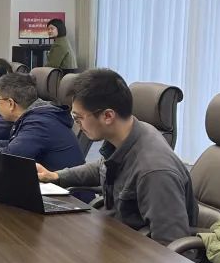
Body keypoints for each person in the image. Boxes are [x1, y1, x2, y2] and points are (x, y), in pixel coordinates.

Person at [37, 68, 197, 245]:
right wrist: (56, 176)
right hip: (112, 237)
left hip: (133, 253)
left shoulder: (154, 171)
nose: (78, 124)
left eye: (78, 117)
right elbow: (102, 167)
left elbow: (171, 247)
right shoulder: (126, 135)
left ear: (107, 116)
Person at [0, 72, 85, 170]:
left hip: (60, 180)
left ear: (11, 103)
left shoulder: (39, 123)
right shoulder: (39, 115)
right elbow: (14, 145)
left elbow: (9, 158)